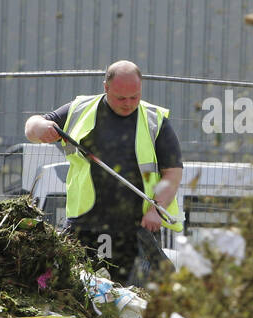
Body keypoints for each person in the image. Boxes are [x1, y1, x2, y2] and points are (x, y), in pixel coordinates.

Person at [25, 61, 183, 284]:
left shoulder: (155, 120)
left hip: (136, 230)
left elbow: (173, 172)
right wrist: (40, 128)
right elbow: (32, 126)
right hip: (84, 226)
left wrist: (157, 210)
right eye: (120, 98)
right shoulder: (80, 110)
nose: (128, 104)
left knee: (138, 301)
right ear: (106, 87)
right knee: (73, 293)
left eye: (134, 97)